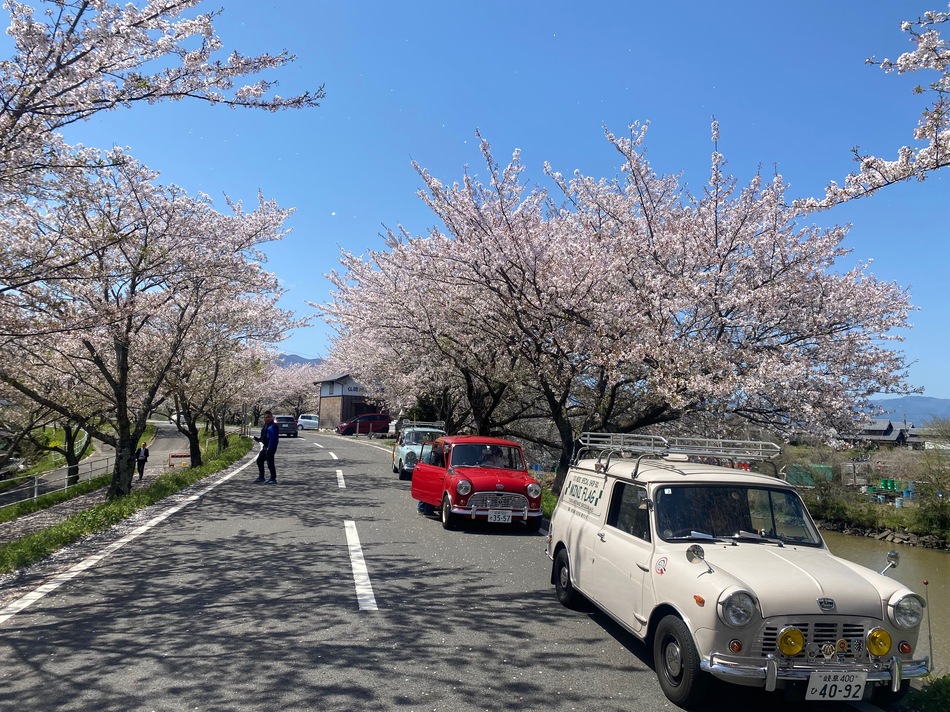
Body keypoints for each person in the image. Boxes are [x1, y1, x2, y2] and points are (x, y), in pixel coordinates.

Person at [253, 410, 280, 483]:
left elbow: (273, 439)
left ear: (271, 417)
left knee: (270, 462)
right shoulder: (265, 426)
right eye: (265, 417)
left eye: (268, 417)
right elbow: (263, 437)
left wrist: (270, 448)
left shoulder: (273, 426)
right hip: (265, 446)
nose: (266, 419)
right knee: (259, 460)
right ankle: (261, 477)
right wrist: (257, 439)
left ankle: (273, 478)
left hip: (271, 447)